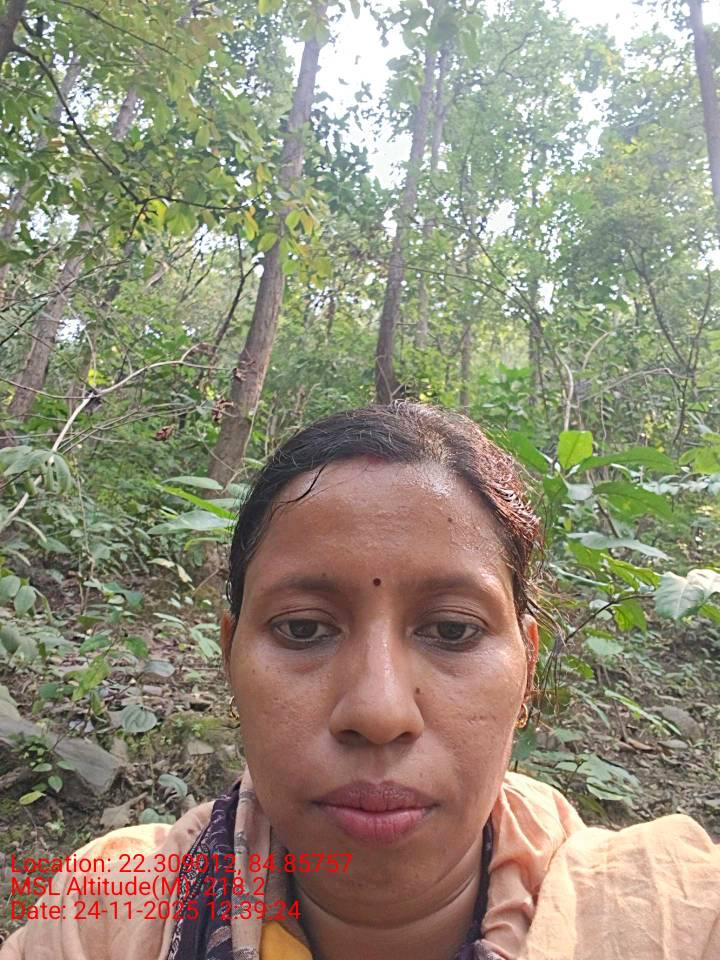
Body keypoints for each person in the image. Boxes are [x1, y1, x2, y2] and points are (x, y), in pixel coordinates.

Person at [2, 402, 718, 960]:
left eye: (452, 631)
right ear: (230, 657)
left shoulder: (674, 911)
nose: (378, 711)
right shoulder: (109, 914)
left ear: (526, 669)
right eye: (303, 628)